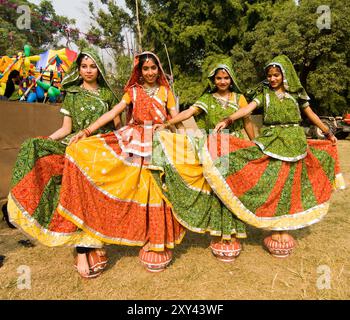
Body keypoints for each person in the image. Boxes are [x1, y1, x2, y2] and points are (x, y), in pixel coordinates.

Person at [57, 52, 185, 272]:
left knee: (159, 191)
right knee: (137, 190)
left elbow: (176, 119)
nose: (150, 72)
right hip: (135, 141)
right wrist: (87, 131)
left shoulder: (166, 92)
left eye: (154, 68)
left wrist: (185, 138)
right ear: (139, 71)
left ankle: (156, 240)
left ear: (159, 70)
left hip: (160, 141)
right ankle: (139, 236)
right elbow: (112, 113)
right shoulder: (132, 92)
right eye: (146, 69)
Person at [209, 55, 345, 257]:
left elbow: (311, 114)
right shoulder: (264, 94)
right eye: (270, 75)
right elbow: (248, 109)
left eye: (276, 75)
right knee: (275, 185)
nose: (272, 79)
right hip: (271, 142)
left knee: (290, 187)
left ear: (284, 74)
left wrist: (327, 132)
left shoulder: (296, 94)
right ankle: (273, 227)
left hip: (295, 143)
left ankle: (284, 229)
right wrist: (228, 119)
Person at [7, 48, 119, 278]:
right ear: (78, 69)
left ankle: (94, 245)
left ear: (99, 69)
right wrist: (46, 141)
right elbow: (67, 129)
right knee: (70, 190)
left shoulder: (109, 97)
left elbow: (117, 128)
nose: (88, 70)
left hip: (99, 148)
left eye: (93, 66)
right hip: (74, 145)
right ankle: (81, 249)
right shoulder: (73, 94)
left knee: (92, 196)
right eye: (84, 66)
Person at [151, 59, 255, 261]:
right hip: (215, 148)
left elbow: (247, 121)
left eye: (226, 78)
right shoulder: (207, 99)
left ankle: (233, 233)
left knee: (233, 190)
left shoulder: (240, 98)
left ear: (231, 79)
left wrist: (255, 143)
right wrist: (167, 123)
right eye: (219, 78)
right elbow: (188, 113)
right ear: (213, 80)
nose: (222, 81)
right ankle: (217, 233)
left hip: (235, 147)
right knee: (217, 190)